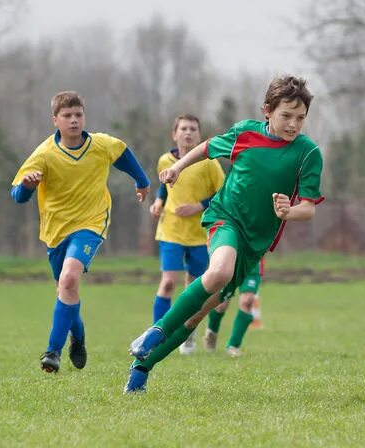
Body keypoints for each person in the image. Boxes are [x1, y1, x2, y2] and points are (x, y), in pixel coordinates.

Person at [124, 74, 324, 393]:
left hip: (256, 242)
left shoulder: (308, 153)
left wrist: (289, 211)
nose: (293, 124)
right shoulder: (245, 133)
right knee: (218, 271)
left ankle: (141, 367)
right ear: (267, 111)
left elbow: (309, 207)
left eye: (300, 118)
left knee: (197, 314)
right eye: (286, 116)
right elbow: (206, 148)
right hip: (225, 218)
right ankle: (155, 331)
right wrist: (177, 168)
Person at [11, 90, 150, 373]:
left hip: (92, 222)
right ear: (55, 120)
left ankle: (52, 352)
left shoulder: (100, 144)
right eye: (67, 116)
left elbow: (122, 153)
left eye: (78, 115)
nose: (74, 120)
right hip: (55, 230)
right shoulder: (45, 153)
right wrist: (27, 185)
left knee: (70, 277)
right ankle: (79, 337)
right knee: (65, 287)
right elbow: (18, 196)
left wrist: (142, 180)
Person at [149, 114, 226, 354]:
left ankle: (187, 334)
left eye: (193, 129)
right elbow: (165, 185)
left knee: (192, 287)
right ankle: (155, 336)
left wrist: (198, 206)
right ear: (175, 134)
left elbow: (224, 192)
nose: (188, 132)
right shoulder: (164, 160)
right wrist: (158, 202)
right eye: (183, 128)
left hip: (199, 234)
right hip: (170, 230)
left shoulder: (209, 163)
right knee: (168, 282)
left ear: (199, 135)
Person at [204, 261, 263, 357]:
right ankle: (212, 331)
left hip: (252, 260)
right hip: (230, 259)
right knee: (220, 305)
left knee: (247, 301)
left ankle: (233, 346)